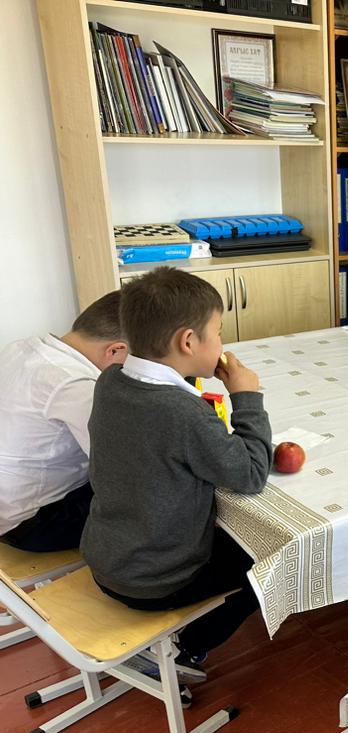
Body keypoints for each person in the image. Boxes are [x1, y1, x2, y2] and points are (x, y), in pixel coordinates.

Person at [80, 267, 271, 683]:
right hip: (157, 581)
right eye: (218, 333)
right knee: (272, 558)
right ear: (188, 341)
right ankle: (189, 647)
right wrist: (246, 397)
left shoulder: (110, 380)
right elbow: (252, 473)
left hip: (106, 558)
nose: (222, 344)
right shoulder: (184, 414)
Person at [0, 291, 127, 552]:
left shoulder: (22, 348)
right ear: (115, 350)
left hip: (8, 504)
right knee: (155, 494)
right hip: (32, 524)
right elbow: (124, 469)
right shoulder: (78, 385)